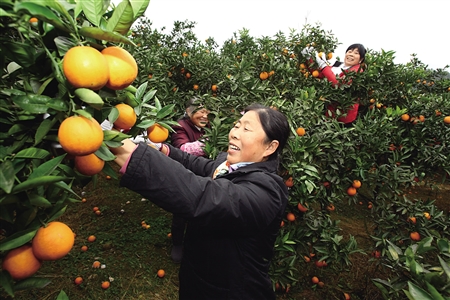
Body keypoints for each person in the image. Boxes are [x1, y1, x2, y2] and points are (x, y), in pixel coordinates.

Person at [110, 103, 290, 299]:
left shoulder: (267, 192)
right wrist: (161, 149)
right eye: (237, 125)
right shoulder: (231, 166)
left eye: (246, 129)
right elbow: (198, 165)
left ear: (270, 147)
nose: (234, 133)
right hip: (199, 278)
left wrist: (132, 155)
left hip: (231, 290)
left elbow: (204, 197)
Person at [169, 97, 210, 263]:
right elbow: (183, 149)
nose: (204, 115)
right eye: (200, 110)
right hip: (184, 175)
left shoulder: (209, 127)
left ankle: (197, 240)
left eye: (207, 111)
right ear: (188, 111)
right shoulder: (180, 126)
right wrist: (213, 140)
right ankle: (177, 243)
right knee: (181, 209)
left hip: (203, 175)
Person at [302, 43, 366, 124]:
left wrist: (323, 65)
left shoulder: (357, 70)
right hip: (329, 113)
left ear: (361, 60)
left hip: (343, 118)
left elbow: (338, 84)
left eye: (356, 53)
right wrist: (309, 58)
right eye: (350, 51)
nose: (351, 54)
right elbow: (319, 74)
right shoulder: (338, 65)